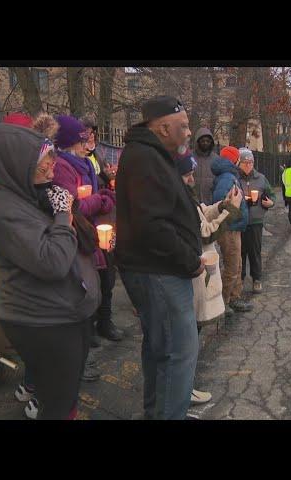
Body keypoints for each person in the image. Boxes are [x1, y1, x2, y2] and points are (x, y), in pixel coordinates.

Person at [0, 123, 101, 419]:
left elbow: (82, 242)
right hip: (42, 321)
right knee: (58, 403)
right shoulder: (6, 212)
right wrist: (63, 214)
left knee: (66, 395)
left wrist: (65, 208)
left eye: (52, 155)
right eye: (45, 158)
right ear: (20, 165)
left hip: (65, 312)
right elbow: (53, 262)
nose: (53, 163)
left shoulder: (35, 194)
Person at [115, 96, 204, 420]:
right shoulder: (144, 158)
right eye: (183, 126)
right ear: (163, 127)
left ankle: (160, 412)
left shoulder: (153, 155)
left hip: (158, 270)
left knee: (160, 350)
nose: (189, 131)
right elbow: (151, 226)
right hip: (159, 271)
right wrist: (189, 260)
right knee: (177, 353)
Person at [177, 153, 242, 405]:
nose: (192, 178)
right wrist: (232, 211)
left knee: (192, 334)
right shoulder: (179, 200)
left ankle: (185, 387)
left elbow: (203, 212)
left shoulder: (186, 197)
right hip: (193, 274)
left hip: (197, 273)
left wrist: (223, 205)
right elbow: (204, 234)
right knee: (189, 338)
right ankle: (184, 390)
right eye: (188, 175)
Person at [81, 118, 123, 346]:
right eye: (88, 134)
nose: (92, 138)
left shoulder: (96, 158)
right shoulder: (74, 162)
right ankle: (90, 327)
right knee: (91, 279)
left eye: (94, 134)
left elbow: (106, 185)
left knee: (107, 276)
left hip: (105, 223)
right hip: (88, 225)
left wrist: (110, 178)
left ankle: (105, 322)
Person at [211, 146, 252, 316]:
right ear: (234, 160)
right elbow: (221, 202)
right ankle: (223, 302)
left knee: (238, 264)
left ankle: (234, 297)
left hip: (234, 227)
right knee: (232, 266)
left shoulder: (228, 176)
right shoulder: (228, 178)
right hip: (230, 228)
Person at [236, 148, 275, 294]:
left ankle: (257, 279)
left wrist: (270, 203)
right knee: (240, 253)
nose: (248, 165)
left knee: (255, 252)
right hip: (239, 222)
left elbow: (271, 196)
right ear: (239, 163)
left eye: (250, 162)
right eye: (245, 162)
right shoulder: (235, 178)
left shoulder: (261, 178)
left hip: (256, 222)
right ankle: (239, 280)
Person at [192, 128, 221, 205]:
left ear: (211, 142)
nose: (205, 143)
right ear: (198, 142)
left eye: (208, 141)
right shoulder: (190, 157)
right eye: (202, 141)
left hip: (210, 202)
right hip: (192, 201)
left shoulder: (216, 159)